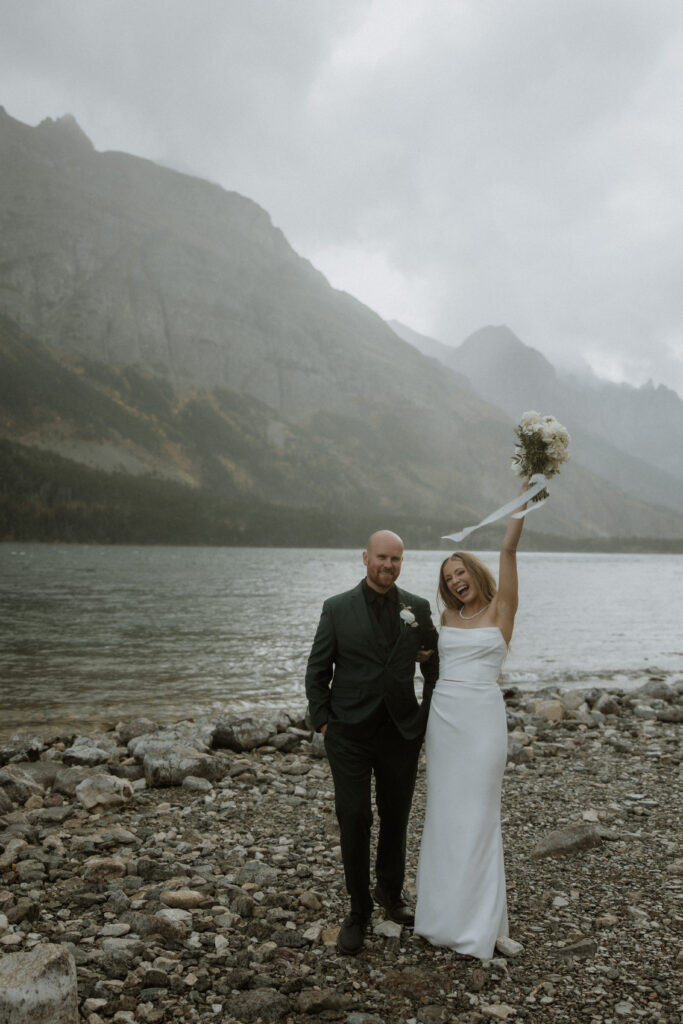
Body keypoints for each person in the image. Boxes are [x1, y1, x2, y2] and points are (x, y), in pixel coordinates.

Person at [305, 529, 439, 956]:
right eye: (381, 557)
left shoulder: (415, 608)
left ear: (401, 563)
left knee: (396, 815)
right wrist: (325, 722)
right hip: (348, 734)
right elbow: (317, 670)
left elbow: (436, 661)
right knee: (355, 815)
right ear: (365, 558)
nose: (388, 565)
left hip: (400, 732)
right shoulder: (337, 608)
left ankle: (390, 893)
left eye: (395, 560)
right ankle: (358, 910)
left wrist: (425, 716)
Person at [414, 479, 529, 960]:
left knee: (479, 816)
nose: (455, 580)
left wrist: (524, 494)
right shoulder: (443, 620)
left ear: (474, 572)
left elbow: (509, 546)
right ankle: (441, 918)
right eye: (448, 576)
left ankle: (480, 924)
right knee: (444, 815)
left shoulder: (502, 608)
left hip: (482, 722)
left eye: (460, 570)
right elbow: (430, 664)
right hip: (444, 721)